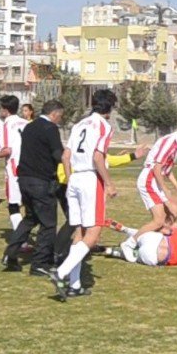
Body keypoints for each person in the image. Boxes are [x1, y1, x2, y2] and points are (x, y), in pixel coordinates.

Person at [49, 89, 117, 301]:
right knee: (93, 233)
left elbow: (66, 155)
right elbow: (98, 157)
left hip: (75, 179)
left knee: (79, 232)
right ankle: (61, 273)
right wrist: (109, 183)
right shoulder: (104, 126)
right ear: (111, 108)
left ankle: (75, 285)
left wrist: (70, 179)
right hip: (90, 179)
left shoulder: (79, 124)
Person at [1, 99, 64, 274]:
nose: (60, 120)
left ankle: (10, 254)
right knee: (48, 224)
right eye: (60, 116)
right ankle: (40, 264)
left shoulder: (30, 126)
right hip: (41, 181)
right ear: (55, 114)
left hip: (24, 178)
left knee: (30, 218)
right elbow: (57, 154)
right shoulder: (50, 128)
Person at [123, 121, 177, 258]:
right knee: (159, 219)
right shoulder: (170, 141)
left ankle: (155, 235)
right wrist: (164, 189)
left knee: (175, 210)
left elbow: (167, 170)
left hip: (156, 180)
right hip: (149, 179)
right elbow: (157, 167)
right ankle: (129, 244)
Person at [0, 95, 29, 231]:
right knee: (28, 203)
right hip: (29, 166)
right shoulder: (25, 123)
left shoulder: (7, 124)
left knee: (13, 204)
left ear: (5, 110)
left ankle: (22, 240)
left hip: (15, 168)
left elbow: (7, 150)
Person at [102, 218, 177, 267]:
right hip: (152, 258)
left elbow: (164, 229)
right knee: (137, 255)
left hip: (153, 239)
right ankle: (114, 252)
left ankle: (125, 230)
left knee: (147, 233)